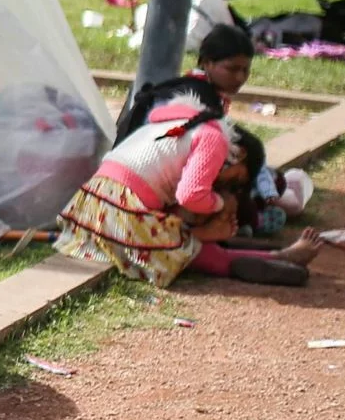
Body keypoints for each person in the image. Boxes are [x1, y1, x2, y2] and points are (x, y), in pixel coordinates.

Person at [57, 97, 322, 288]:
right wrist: (222, 203)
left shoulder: (184, 124)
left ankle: (226, 245)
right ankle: (269, 258)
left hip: (96, 201)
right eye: (236, 181)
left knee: (181, 233)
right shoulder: (214, 139)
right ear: (238, 154)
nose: (227, 186)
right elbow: (190, 195)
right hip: (121, 205)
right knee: (185, 247)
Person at [113, 24, 255, 144]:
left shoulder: (204, 92)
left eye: (245, 70)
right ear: (207, 63)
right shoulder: (193, 99)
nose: (240, 77)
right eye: (232, 69)